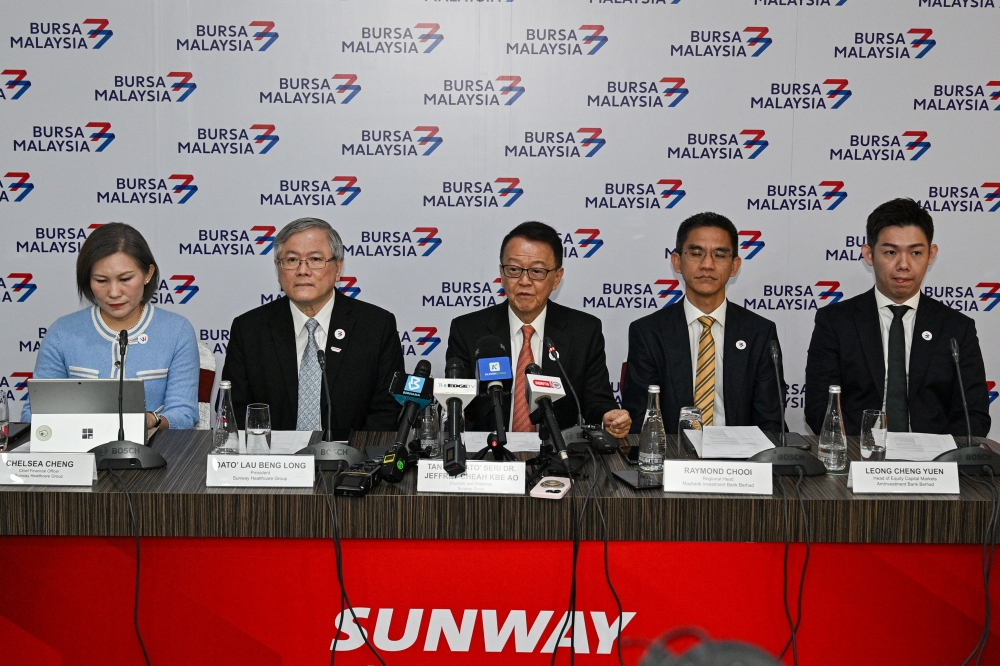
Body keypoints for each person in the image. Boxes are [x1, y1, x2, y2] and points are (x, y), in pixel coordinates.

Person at [805, 198, 990, 436]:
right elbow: (819, 408)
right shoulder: (835, 322)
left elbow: (973, 415)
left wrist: (938, 458)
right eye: (891, 252)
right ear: (869, 254)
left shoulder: (956, 328)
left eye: (915, 252)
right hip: (858, 457)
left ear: (931, 254)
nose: (903, 264)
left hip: (934, 464)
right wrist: (863, 449)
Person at [445, 221, 631, 436]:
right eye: (514, 269)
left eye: (537, 271)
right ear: (502, 275)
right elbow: (458, 406)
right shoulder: (468, 330)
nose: (524, 281)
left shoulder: (584, 331)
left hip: (558, 456)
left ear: (557, 278)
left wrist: (608, 417)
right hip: (489, 456)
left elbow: (596, 401)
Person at [222, 217, 404, 435]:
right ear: (278, 269)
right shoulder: (249, 329)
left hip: (353, 463)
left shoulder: (375, 326)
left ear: (338, 268)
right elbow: (232, 409)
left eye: (315, 259)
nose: (302, 270)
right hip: (272, 462)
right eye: (291, 260)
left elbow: (387, 411)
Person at [22, 222, 199, 431]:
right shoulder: (62, 333)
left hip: (154, 455)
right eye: (101, 280)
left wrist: (152, 420)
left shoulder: (177, 331)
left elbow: (184, 414)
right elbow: (33, 413)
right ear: (87, 279)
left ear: (148, 274)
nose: (114, 292)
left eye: (125, 279)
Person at [622, 212, 785, 434]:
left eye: (720, 255)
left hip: (741, 461)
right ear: (677, 261)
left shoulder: (759, 333)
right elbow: (641, 418)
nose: (707, 264)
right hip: (672, 458)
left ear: (734, 266)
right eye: (696, 253)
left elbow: (771, 420)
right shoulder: (648, 332)